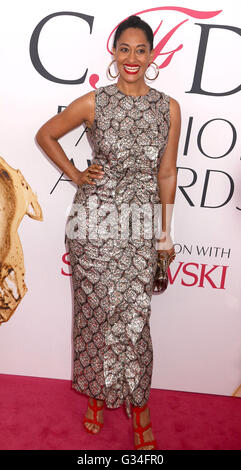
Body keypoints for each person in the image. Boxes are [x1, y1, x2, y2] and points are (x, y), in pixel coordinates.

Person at [35, 15, 181, 451]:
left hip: (139, 224)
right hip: (93, 222)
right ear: (113, 54)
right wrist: (77, 175)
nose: (131, 58)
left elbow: (168, 172)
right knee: (96, 315)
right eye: (124, 49)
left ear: (153, 55)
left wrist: (165, 232)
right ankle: (98, 395)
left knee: (134, 321)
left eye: (140, 50)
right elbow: (46, 134)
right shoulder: (95, 102)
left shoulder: (168, 107)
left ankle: (140, 408)